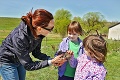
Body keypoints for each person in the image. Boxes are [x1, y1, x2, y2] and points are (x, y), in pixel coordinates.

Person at [0, 9, 66, 80]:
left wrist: (52, 60)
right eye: (50, 29)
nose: (51, 31)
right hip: (6, 61)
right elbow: (28, 65)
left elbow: (36, 53)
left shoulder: (39, 34)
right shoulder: (19, 37)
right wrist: (50, 62)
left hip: (20, 60)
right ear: (39, 28)